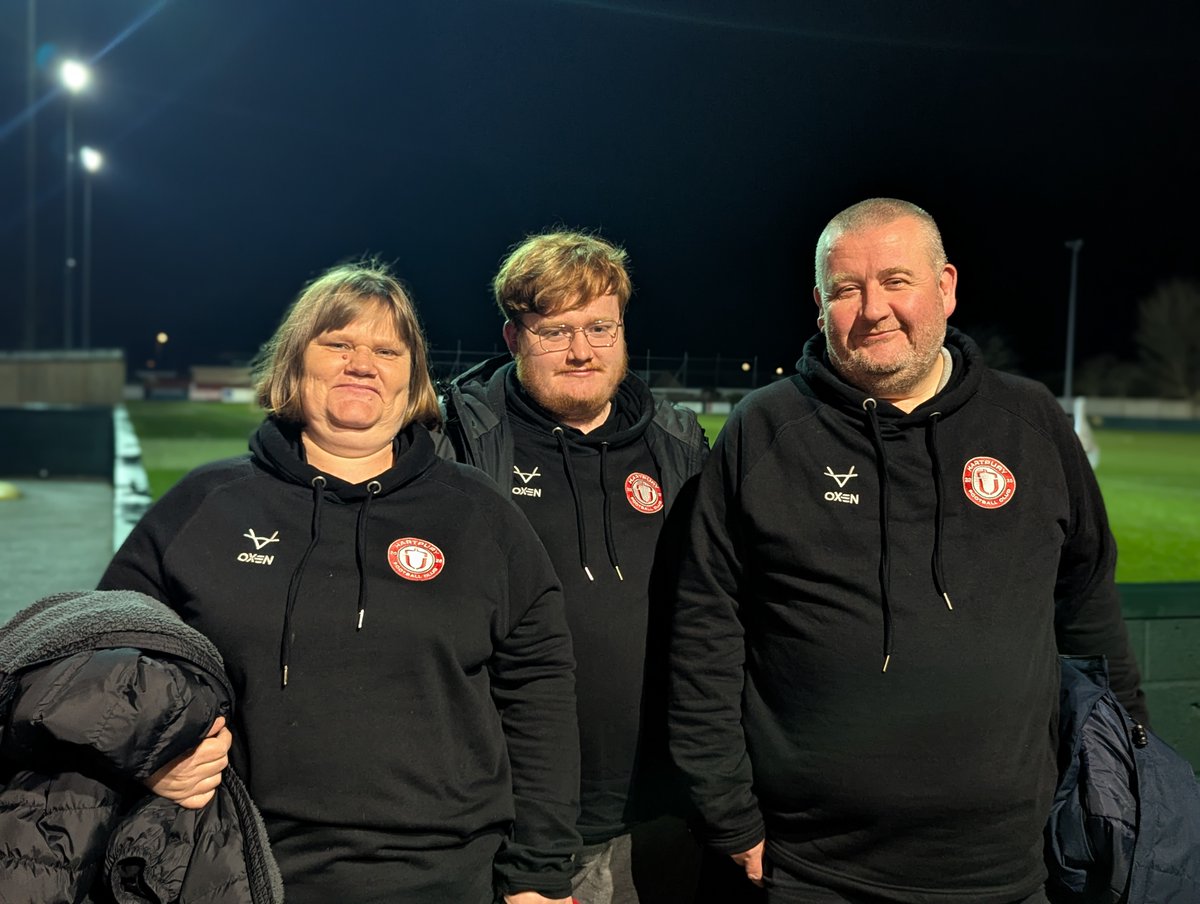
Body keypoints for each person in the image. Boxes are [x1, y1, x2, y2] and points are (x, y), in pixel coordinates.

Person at [667, 198, 1149, 904]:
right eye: (846, 289)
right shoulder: (762, 429)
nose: (873, 310)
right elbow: (704, 630)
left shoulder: (1032, 422)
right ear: (819, 303)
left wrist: (1129, 767)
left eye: (896, 281)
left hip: (1012, 866)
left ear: (946, 287)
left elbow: (1090, 609)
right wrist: (727, 813)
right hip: (811, 868)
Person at [98, 259, 581, 904]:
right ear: (296, 363)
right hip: (237, 868)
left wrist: (540, 875)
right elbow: (104, 658)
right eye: (339, 344)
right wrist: (153, 754)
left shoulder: (482, 514)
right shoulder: (206, 505)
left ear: (413, 377)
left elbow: (539, 695)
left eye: (387, 349)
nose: (363, 363)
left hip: (446, 875)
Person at [440, 230, 709, 903]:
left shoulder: (678, 444)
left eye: (600, 327)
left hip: (658, 813)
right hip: (509, 823)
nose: (582, 350)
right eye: (556, 330)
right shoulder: (459, 443)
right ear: (512, 337)